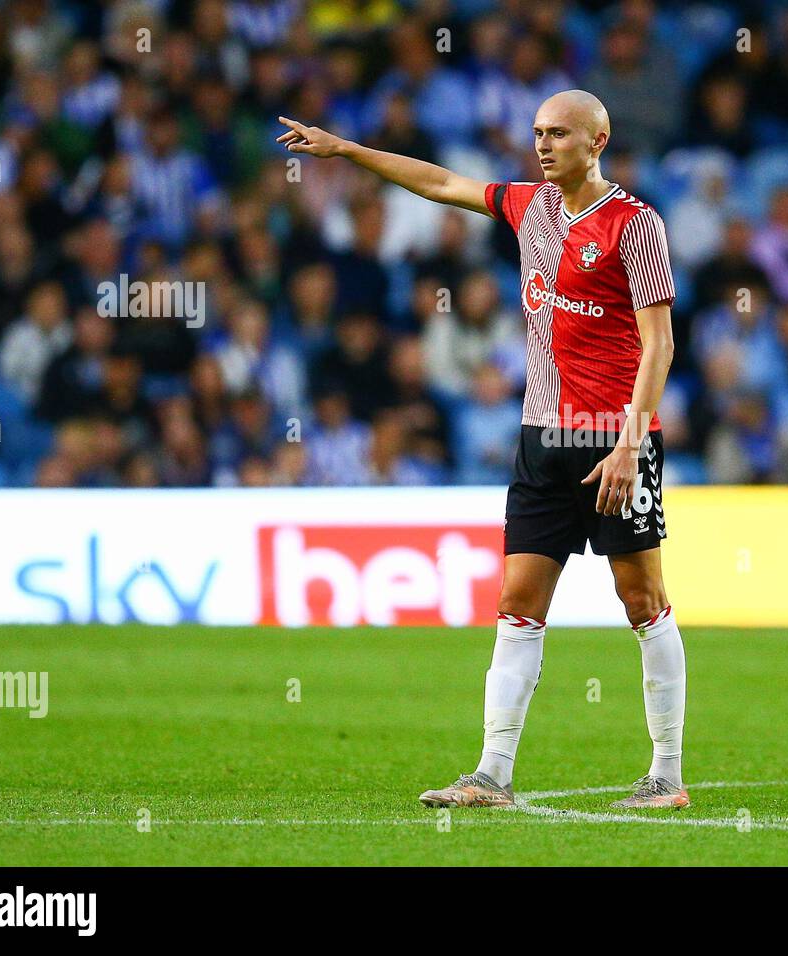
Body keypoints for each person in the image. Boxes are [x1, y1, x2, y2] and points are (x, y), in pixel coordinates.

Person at [277, 89, 688, 809]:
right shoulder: (528, 207)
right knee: (517, 600)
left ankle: (667, 776)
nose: (543, 143)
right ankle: (492, 773)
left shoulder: (635, 226)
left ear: (599, 140)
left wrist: (630, 443)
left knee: (642, 597)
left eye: (559, 133)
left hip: (613, 441)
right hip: (541, 440)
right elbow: (439, 182)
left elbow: (660, 342)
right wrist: (346, 150)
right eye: (537, 132)